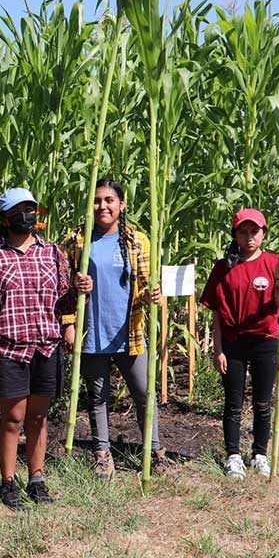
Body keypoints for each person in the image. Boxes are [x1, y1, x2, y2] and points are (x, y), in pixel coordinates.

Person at [0, 187, 89, 510]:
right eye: (20, 210)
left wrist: (82, 290)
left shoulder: (52, 253)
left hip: (46, 345)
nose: (28, 215)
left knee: (38, 417)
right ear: (5, 217)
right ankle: (7, 482)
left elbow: (64, 301)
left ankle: (36, 478)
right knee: (12, 417)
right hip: (9, 347)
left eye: (31, 209)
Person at [60, 179, 167, 479]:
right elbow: (59, 285)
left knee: (145, 393)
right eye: (97, 201)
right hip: (91, 331)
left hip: (128, 332)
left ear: (121, 205)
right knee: (97, 396)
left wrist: (152, 296)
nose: (102, 206)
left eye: (109, 200)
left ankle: (155, 451)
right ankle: (102, 454)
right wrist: (70, 318)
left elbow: (146, 285)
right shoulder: (77, 240)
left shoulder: (137, 240)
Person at [200, 208, 279, 480]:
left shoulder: (275, 263)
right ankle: (233, 456)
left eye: (255, 231)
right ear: (235, 235)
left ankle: (260, 455)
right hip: (233, 342)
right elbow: (217, 312)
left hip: (265, 341)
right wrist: (218, 350)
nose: (249, 237)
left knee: (263, 402)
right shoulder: (223, 267)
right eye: (243, 232)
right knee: (233, 402)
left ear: (263, 234)